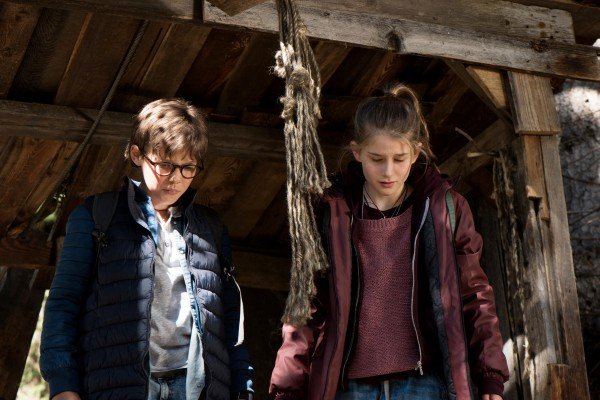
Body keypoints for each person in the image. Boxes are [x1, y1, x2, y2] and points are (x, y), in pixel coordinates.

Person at [269, 84, 509, 400]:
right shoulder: (331, 213)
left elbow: (475, 294)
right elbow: (307, 304)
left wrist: (490, 375)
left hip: (424, 385)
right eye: (376, 158)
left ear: (416, 153)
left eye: (399, 158)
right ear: (356, 152)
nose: (388, 171)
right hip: (349, 389)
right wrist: (287, 388)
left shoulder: (446, 208)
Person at [40, 98, 254, 400]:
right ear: (137, 154)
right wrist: (62, 384)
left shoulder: (211, 228)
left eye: (188, 167)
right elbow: (64, 303)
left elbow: (231, 319)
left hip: (194, 387)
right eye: (166, 165)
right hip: (118, 386)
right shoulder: (96, 216)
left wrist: (243, 388)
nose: (176, 178)